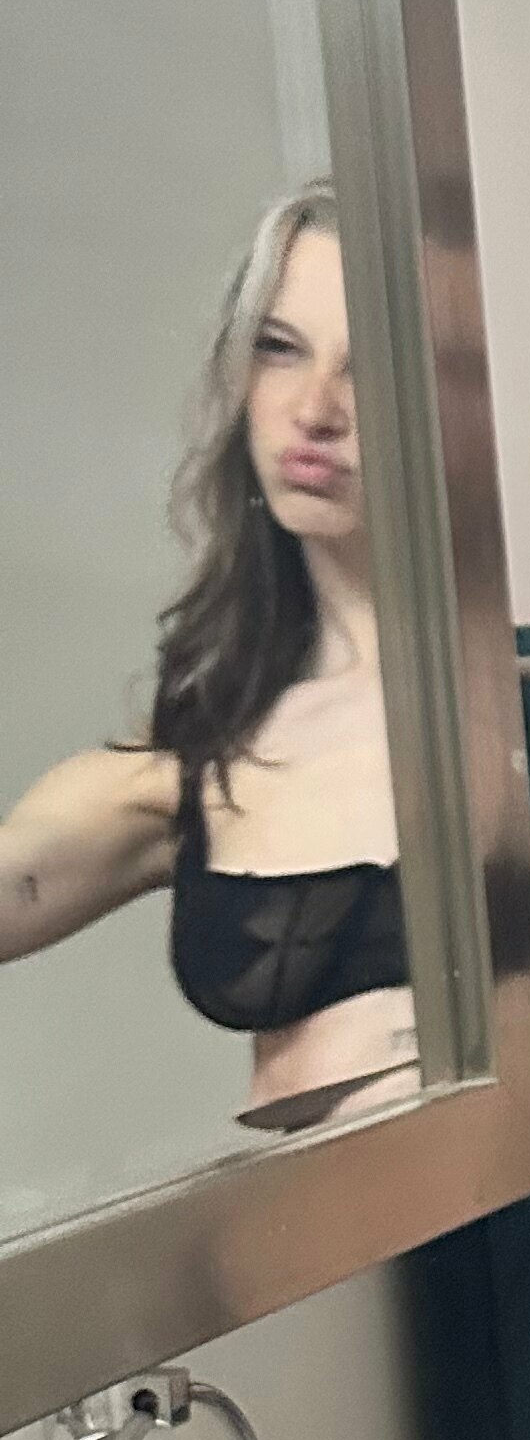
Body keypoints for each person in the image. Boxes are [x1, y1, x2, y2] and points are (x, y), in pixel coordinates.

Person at [0, 181, 414, 1131]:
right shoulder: (204, 749)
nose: (315, 409)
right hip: (312, 1224)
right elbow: (18, 873)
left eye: (368, 366)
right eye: (280, 348)